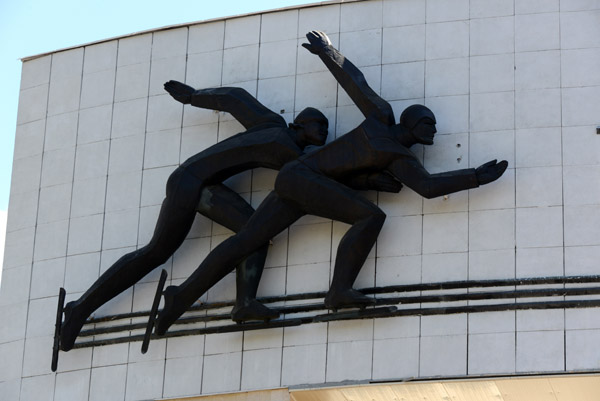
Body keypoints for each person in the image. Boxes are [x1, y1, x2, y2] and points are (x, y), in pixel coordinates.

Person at [152, 31, 508, 336]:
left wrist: (475, 177)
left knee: (246, 241)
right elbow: (356, 83)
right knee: (371, 216)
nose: (434, 130)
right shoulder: (381, 119)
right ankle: (339, 291)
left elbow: (428, 188)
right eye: (428, 122)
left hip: (298, 183)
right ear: (411, 121)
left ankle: (179, 298)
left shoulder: (403, 161)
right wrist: (328, 51)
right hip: (304, 177)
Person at [58, 82, 334, 351]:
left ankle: (244, 303)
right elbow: (235, 98)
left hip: (198, 183)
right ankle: (80, 309)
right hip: (190, 183)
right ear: (299, 125)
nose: (325, 131)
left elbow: (235, 98)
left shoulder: (271, 125)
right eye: (320, 125)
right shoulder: (283, 140)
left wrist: (193, 97)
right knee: (160, 251)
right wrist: (192, 97)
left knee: (248, 236)